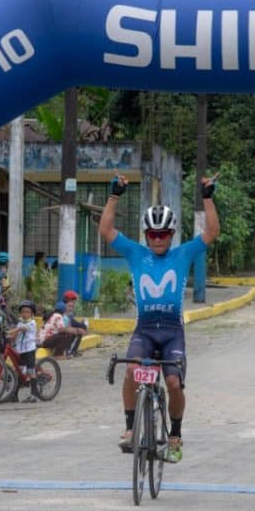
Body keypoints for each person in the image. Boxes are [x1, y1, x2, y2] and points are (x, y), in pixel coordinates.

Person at [99, 173, 220, 464]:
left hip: (171, 333)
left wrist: (208, 198)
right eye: (152, 234)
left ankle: (175, 435)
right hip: (144, 331)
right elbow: (106, 230)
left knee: (174, 384)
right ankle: (130, 429)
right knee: (131, 371)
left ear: (171, 234)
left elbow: (212, 232)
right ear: (145, 236)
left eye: (163, 234)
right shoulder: (135, 253)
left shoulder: (183, 253)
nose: (157, 239)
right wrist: (114, 195)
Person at [40, 289, 88, 359]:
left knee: (71, 332)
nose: (71, 308)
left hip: (50, 336)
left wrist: (76, 329)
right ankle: (62, 353)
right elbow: (63, 329)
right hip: (47, 339)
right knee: (67, 334)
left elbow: (68, 325)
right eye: (69, 306)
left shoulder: (63, 314)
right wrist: (77, 330)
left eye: (72, 306)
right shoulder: (59, 315)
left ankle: (67, 351)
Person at [10, 300, 40, 403]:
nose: (25, 314)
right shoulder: (19, 323)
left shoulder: (32, 323)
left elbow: (21, 329)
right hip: (21, 351)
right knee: (18, 371)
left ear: (32, 314)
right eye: (23, 312)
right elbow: (14, 334)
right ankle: (14, 395)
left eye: (27, 312)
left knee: (31, 371)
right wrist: (9, 336)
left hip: (29, 350)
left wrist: (13, 331)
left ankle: (34, 395)